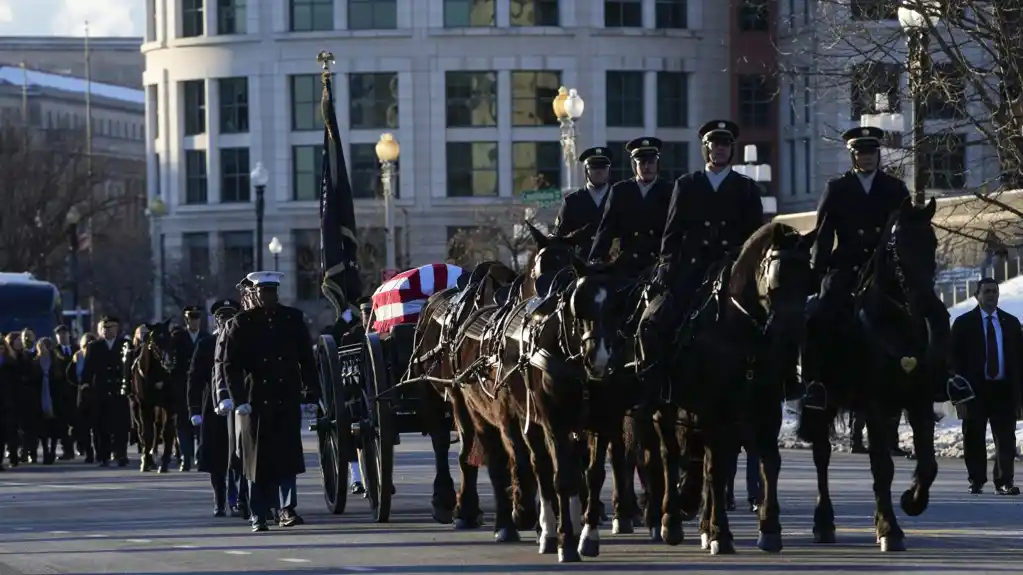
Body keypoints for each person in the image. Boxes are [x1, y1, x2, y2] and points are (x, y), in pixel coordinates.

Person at [639, 120, 764, 378]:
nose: (720, 149)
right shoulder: (687, 184)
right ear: (705, 149)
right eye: (714, 144)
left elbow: (756, 237)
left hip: (733, 270)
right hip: (693, 271)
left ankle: (782, 382)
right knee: (656, 321)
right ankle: (653, 386)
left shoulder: (746, 187)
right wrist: (666, 266)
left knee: (771, 322)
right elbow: (672, 233)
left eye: (725, 144)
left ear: (732, 149)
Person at [803, 126, 911, 411]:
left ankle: (937, 380)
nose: (867, 158)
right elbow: (823, 234)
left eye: (871, 153)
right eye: (861, 153)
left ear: (879, 154)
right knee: (818, 316)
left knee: (926, 312)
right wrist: (818, 273)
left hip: (885, 269)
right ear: (852, 156)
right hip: (847, 268)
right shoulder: (837, 188)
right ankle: (814, 384)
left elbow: (909, 230)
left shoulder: (894, 188)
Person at [222, 272, 320, 532]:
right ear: (255, 294)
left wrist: (312, 393)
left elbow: (306, 360)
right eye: (263, 293)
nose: (268, 298)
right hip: (256, 399)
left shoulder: (292, 318)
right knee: (257, 459)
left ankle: (287, 509)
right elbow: (230, 365)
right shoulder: (242, 322)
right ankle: (258, 513)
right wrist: (239, 399)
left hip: (286, 394)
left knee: (286, 456)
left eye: (272, 292)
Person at [952, 278, 1022, 495]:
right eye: (987, 292)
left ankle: (1004, 481)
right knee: (973, 435)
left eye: (994, 291)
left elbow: (1020, 360)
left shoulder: (1010, 323)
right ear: (977, 296)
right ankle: (977, 479)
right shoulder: (964, 324)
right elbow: (953, 361)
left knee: (1006, 437)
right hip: (974, 390)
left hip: (1003, 389)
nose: (991, 295)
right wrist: (958, 395)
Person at [190, 299, 249, 516]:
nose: (226, 321)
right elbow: (195, 379)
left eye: (230, 317)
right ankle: (219, 498)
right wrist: (194, 410)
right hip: (213, 407)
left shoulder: (243, 342)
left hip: (239, 405)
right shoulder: (206, 344)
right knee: (216, 458)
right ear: (216, 320)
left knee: (238, 455)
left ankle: (237, 498)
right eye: (222, 317)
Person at [588, 137, 674, 276]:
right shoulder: (621, 190)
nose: (647, 167)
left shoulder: (669, 190)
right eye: (642, 162)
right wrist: (595, 259)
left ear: (657, 163)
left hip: (659, 264)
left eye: (651, 162)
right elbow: (606, 229)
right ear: (634, 164)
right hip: (627, 264)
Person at [80, 316, 131, 467]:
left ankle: (121, 454)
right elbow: (88, 369)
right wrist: (85, 385)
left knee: (121, 426)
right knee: (100, 425)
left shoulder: (125, 344)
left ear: (117, 328)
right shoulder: (94, 346)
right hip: (100, 390)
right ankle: (103, 455)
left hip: (119, 390)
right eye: (104, 328)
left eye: (110, 328)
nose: (107, 331)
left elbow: (129, 368)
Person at [552, 146, 615, 258]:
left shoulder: (619, 196)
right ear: (586, 170)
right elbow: (560, 237)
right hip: (581, 265)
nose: (599, 171)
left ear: (609, 170)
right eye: (594, 167)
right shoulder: (572, 201)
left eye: (603, 167)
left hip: (613, 265)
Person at [172, 306, 209, 472]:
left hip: (202, 387)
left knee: (203, 424)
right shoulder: (178, 338)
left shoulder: (205, 338)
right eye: (190, 319)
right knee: (183, 423)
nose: (194, 322)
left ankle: (201, 456)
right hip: (182, 386)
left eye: (196, 319)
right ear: (186, 321)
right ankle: (185, 457)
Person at [52, 326, 77, 459]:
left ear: (69, 335)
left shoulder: (76, 349)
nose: (62, 336)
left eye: (64, 333)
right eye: (59, 334)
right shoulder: (54, 352)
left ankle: (80, 446)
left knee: (78, 423)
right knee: (62, 425)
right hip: (60, 393)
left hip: (76, 392)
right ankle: (67, 450)